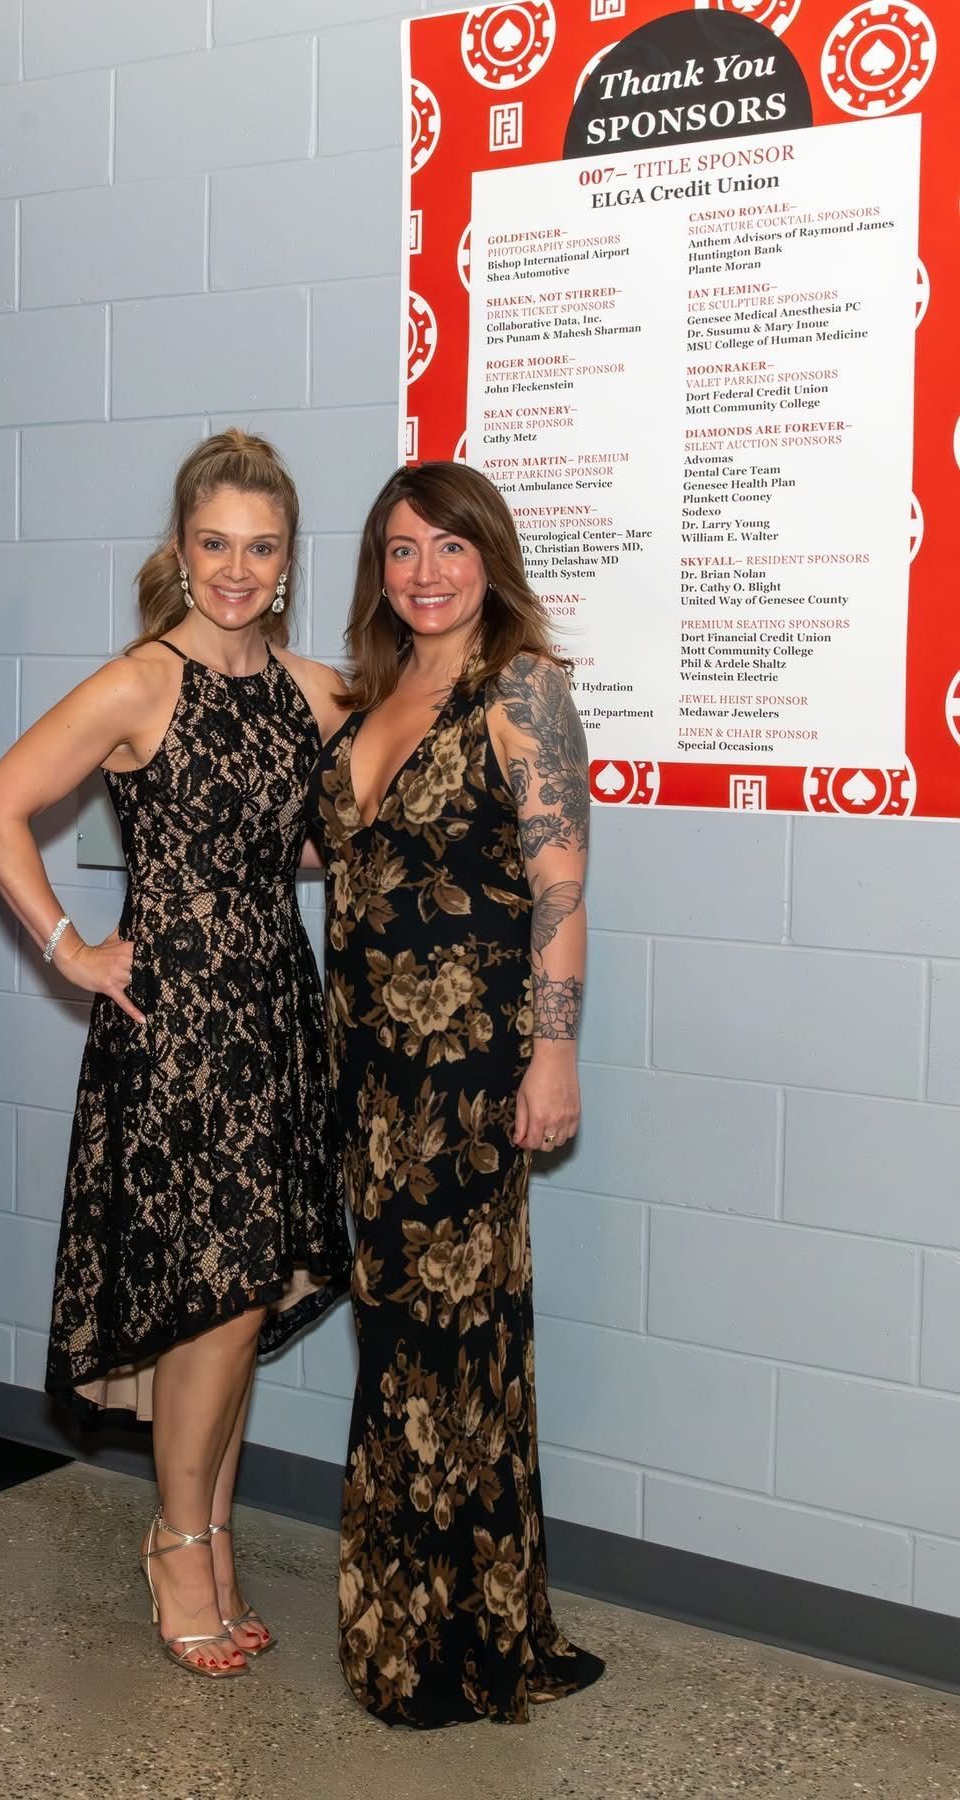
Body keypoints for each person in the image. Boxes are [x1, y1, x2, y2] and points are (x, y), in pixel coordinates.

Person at [0, 430, 351, 1679]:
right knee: (214, 1296)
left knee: (234, 1304)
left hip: (275, 1014)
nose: (236, 569)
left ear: (288, 559)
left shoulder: (314, 690)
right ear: (180, 551)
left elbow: (306, 838)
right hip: (175, 1026)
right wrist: (71, 951)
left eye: (260, 546)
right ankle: (177, 1544)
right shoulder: (143, 681)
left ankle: (205, 1533)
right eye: (213, 544)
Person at [308, 460, 605, 1726]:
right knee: (410, 1340)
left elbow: (560, 893)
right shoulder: (373, 694)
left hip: (468, 1075)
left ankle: (434, 1645)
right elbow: (346, 859)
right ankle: (480, 1620)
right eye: (397, 551)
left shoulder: (521, 690)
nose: (422, 574)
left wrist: (554, 1055)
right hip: (365, 1076)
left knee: (446, 1349)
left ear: (491, 557)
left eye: (446, 547)